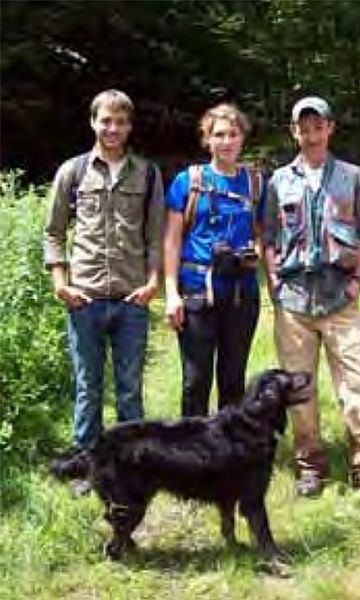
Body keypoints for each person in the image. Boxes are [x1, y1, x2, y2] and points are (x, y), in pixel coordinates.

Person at [44, 89, 164, 483]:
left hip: (132, 299)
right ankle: (86, 466)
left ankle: (132, 467)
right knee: (88, 388)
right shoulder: (73, 172)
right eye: (105, 120)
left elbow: (154, 236)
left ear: (130, 126)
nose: (112, 128)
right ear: (93, 122)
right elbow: (54, 233)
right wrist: (61, 282)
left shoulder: (146, 173)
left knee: (130, 390)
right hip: (85, 298)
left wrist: (152, 284)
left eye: (121, 122)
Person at [263, 96, 360, 496]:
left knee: (358, 386)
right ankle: (310, 464)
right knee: (299, 389)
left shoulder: (351, 176)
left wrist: (358, 281)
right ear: (294, 131)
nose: (311, 135)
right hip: (294, 300)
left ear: (329, 128)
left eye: (318, 127)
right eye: (303, 128)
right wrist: (274, 281)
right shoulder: (279, 180)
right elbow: (269, 237)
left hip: (340, 298)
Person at [163, 103, 265, 417]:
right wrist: (171, 293)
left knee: (233, 379)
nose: (226, 141)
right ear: (207, 139)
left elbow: (263, 234)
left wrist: (253, 253)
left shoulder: (255, 183)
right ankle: (190, 454)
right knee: (196, 380)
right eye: (219, 134)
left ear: (242, 138)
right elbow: (172, 239)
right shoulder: (188, 181)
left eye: (233, 134)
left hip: (240, 291)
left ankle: (228, 453)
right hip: (197, 290)